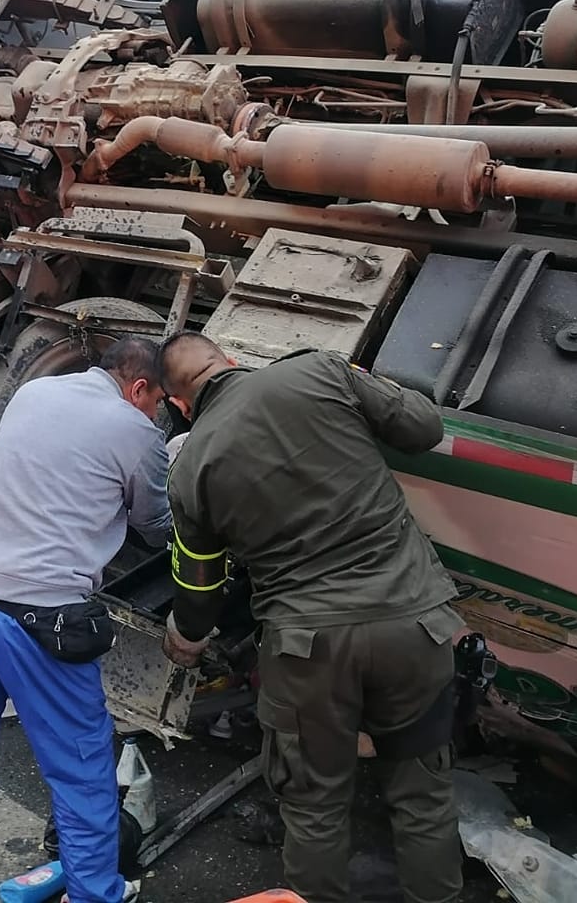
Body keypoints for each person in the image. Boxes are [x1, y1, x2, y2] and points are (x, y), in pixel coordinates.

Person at [156, 332, 465, 903]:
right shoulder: (320, 372)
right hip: (413, 625)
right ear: (229, 357)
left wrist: (186, 641)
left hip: (306, 649)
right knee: (423, 797)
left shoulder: (190, 467)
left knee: (315, 806)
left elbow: (200, 588)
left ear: (179, 404)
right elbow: (423, 427)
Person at [0, 337, 171, 903]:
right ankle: (96, 893)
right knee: (80, 773)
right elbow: (158, 524)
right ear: (139, 387)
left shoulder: (34, 392)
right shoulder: (136, 428)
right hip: (40, 613)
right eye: (156, 403)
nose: (154, 415)